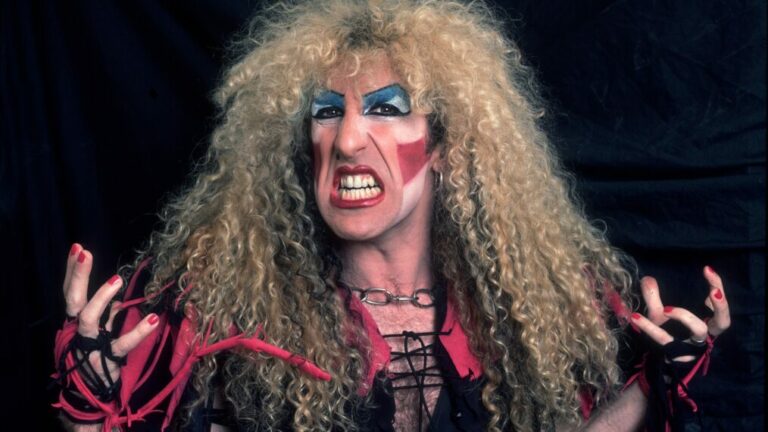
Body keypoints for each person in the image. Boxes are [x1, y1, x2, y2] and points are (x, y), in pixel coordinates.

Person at [52, 1, 731, 431]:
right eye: (327, 112)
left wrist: (654, 385)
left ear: (447, 146)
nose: (347, 139)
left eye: (385, 109)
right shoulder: (218, 317)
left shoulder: (547, 315)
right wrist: (89, 407)